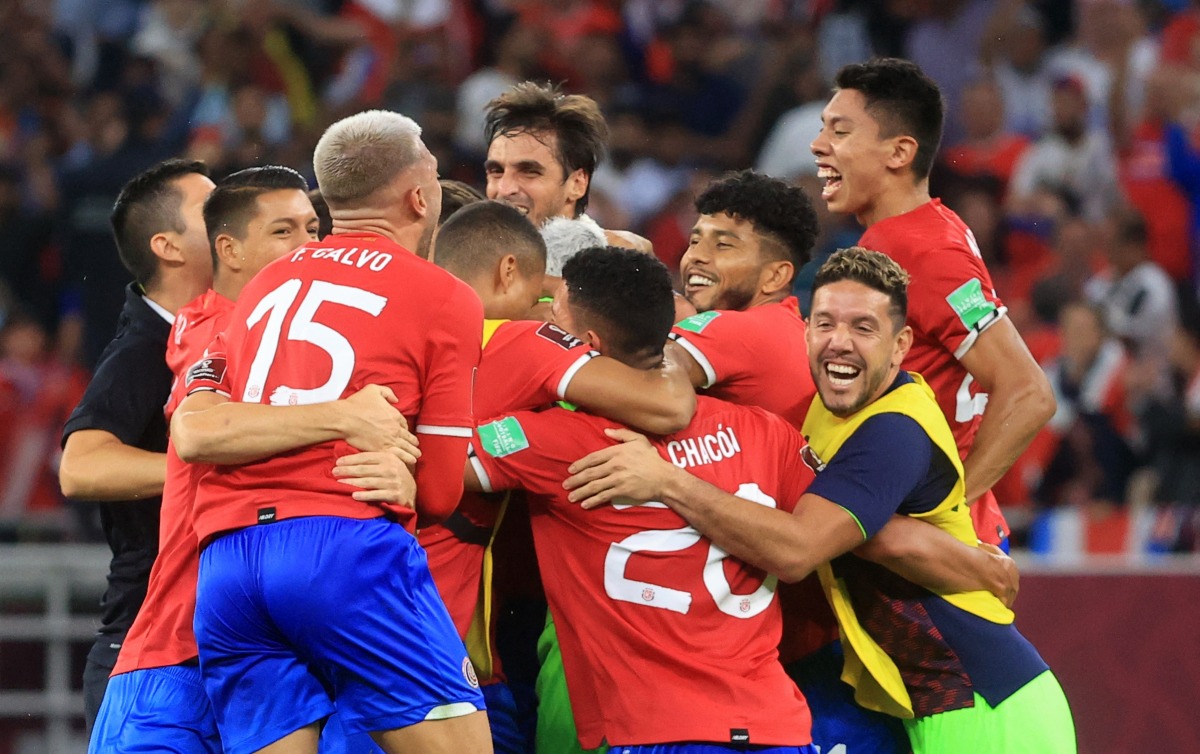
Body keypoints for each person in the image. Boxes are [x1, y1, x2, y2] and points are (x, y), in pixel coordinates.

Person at [468, 247, 1019, 753]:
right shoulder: (766, 433)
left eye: (555, 323)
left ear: (586, 346)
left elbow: (439, 465)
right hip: (776, 728)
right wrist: (978, 563)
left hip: (659, 729)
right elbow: (867, 532)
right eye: (823, 323)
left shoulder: (553, 442)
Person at [188, 111, 491, 754]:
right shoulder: (445, 297)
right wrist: (408, 476)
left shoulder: (266, 282)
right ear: (419, 196)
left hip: (227, 562)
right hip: (340, 547)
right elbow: (439, 494)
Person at [87, 166, 413, 754]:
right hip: (178, 642)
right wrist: (344, 419)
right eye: (285, 232)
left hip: (298, 644)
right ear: (228, 250)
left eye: (315, 229)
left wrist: (403, 473)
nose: (310, 247)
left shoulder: (324, 335)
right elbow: (198, 432)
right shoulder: (214, 325)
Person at [423, 202, 696, 753]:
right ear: (507, 272)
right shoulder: (523, 341)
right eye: (538, 295)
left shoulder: (395, 327)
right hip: (438, 620)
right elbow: (667, 406)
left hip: (342, 575)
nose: (543, 310)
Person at [810, 57, 1056, 547]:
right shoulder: (919, 232)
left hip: (934, 546)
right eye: (823, 129)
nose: (819, 145)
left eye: (840, 131)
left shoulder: (922, 248)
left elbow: (1028, 391)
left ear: (900, 152)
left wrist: (947, 515)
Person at [58, 159, 215, 731]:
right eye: (209, 209)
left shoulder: (214, 332)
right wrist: (208, 464)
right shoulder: (145, 347)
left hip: (202, 637)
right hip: (145, 649)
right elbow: (80, 466)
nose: (228, 218)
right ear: (168, 247)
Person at [482, 81, 651, 254]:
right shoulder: (466, 263)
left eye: (529, 172)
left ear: (577, 184)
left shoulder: (616, 268)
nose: (504, 189)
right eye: (496, 172)